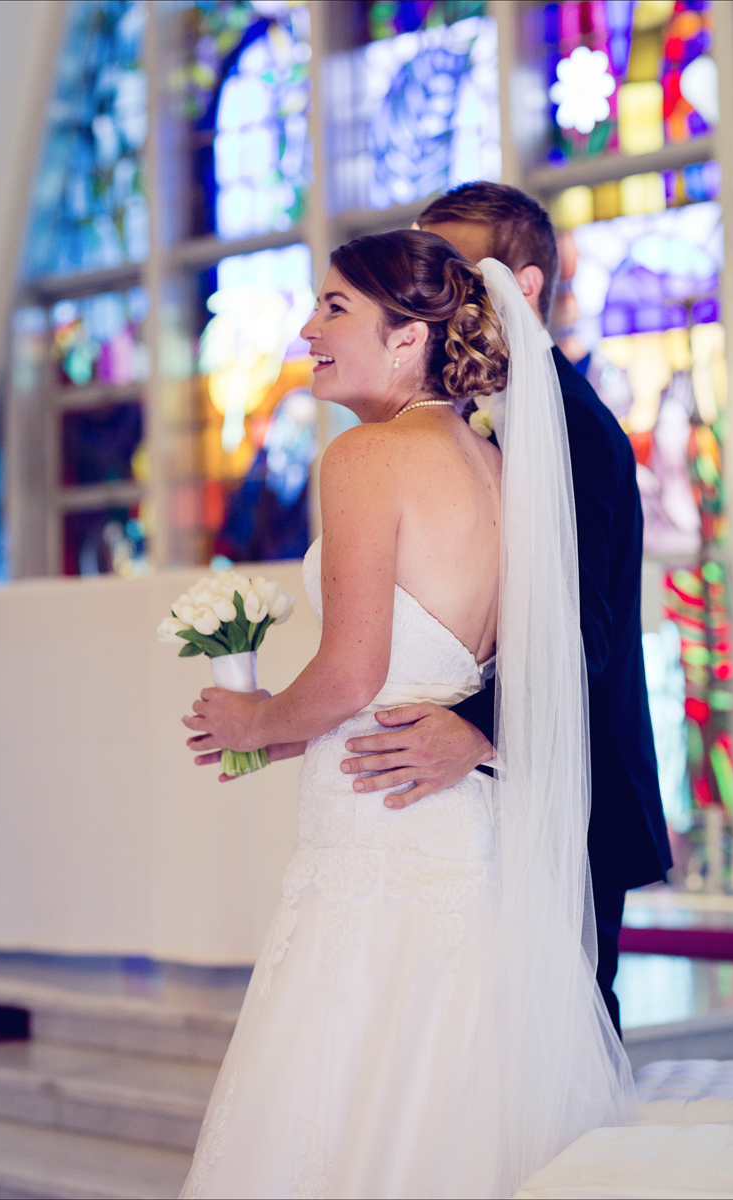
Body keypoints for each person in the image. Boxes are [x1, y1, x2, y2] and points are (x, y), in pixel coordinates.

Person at [179, 229, 633, 1199]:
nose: (308, 330)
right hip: (466, 829)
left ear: (408, 337)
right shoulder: (496, 465)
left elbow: (353, 674)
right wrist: (288, 731)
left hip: (378, 838)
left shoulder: (366, 457)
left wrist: (253, 721)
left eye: (334, 307)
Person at [340, 183, 673, 1036]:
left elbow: (583, 630)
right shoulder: (473, 416)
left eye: (455, 268)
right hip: (506, 790)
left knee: (565, 1040)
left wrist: (478, 727)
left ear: (522, 286)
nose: (437, 287)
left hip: (572, 785)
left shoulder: (572, 428)